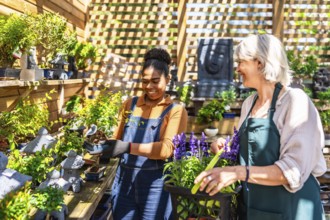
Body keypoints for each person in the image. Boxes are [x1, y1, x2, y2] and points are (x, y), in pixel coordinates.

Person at [194, 34, 326, 220]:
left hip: (293, 209)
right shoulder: (249, 103)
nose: (237, 68)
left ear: (260, 63)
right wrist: (228, 147)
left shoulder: (295, 101)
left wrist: (237, 172)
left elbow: (292, 171)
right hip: (254, 209)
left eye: (241, 62)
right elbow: (251, 152)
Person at [85, 48, 188, 219]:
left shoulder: (175, 111)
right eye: (145, 81)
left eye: (155, 81)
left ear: (168, 79)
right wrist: (101, 146)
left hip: (156, 186)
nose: (149, 87)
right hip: (125, 182)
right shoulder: (130, 105)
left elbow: (166, 150)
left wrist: (127, 147)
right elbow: (116, 139)